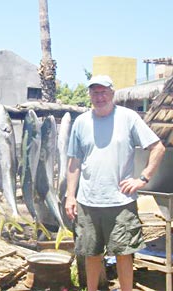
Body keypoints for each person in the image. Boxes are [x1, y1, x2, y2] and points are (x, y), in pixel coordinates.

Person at [64, 75, 166, 291]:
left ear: (112, 93)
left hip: (121, 202)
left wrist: (143, 178)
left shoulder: (128, 118)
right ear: (90, 95)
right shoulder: (81, 122)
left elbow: (158, 147)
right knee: (91, 254)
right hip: (88, 202)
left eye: (103, 92)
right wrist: (70, 195)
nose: (99, 96)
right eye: (95, 92)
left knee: (124, 253)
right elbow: (74, 161)